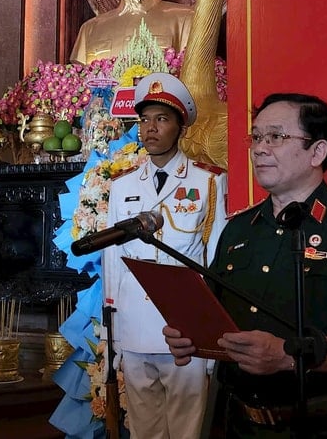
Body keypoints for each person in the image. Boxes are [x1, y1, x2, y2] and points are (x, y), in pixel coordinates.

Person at [163, 93, 327, 438]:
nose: (260, 148)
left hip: (324, 424)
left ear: (317, 152)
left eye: (276, 137)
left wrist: (286, 356)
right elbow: (216, 312)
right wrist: (192, 336)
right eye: (257, 137)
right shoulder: (238, 228)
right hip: (237, 420)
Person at [101, 72, 228, 439]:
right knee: (144, 430)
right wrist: (115, 333)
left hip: (185, 328)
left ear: (181, 128)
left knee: (188, 430)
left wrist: (210, 334)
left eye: (162, 119)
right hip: (134, 325)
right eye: (144, 119)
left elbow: (214, 256)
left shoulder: (207, 181)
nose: (150, 128)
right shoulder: (122, 185)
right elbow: (113, 259)